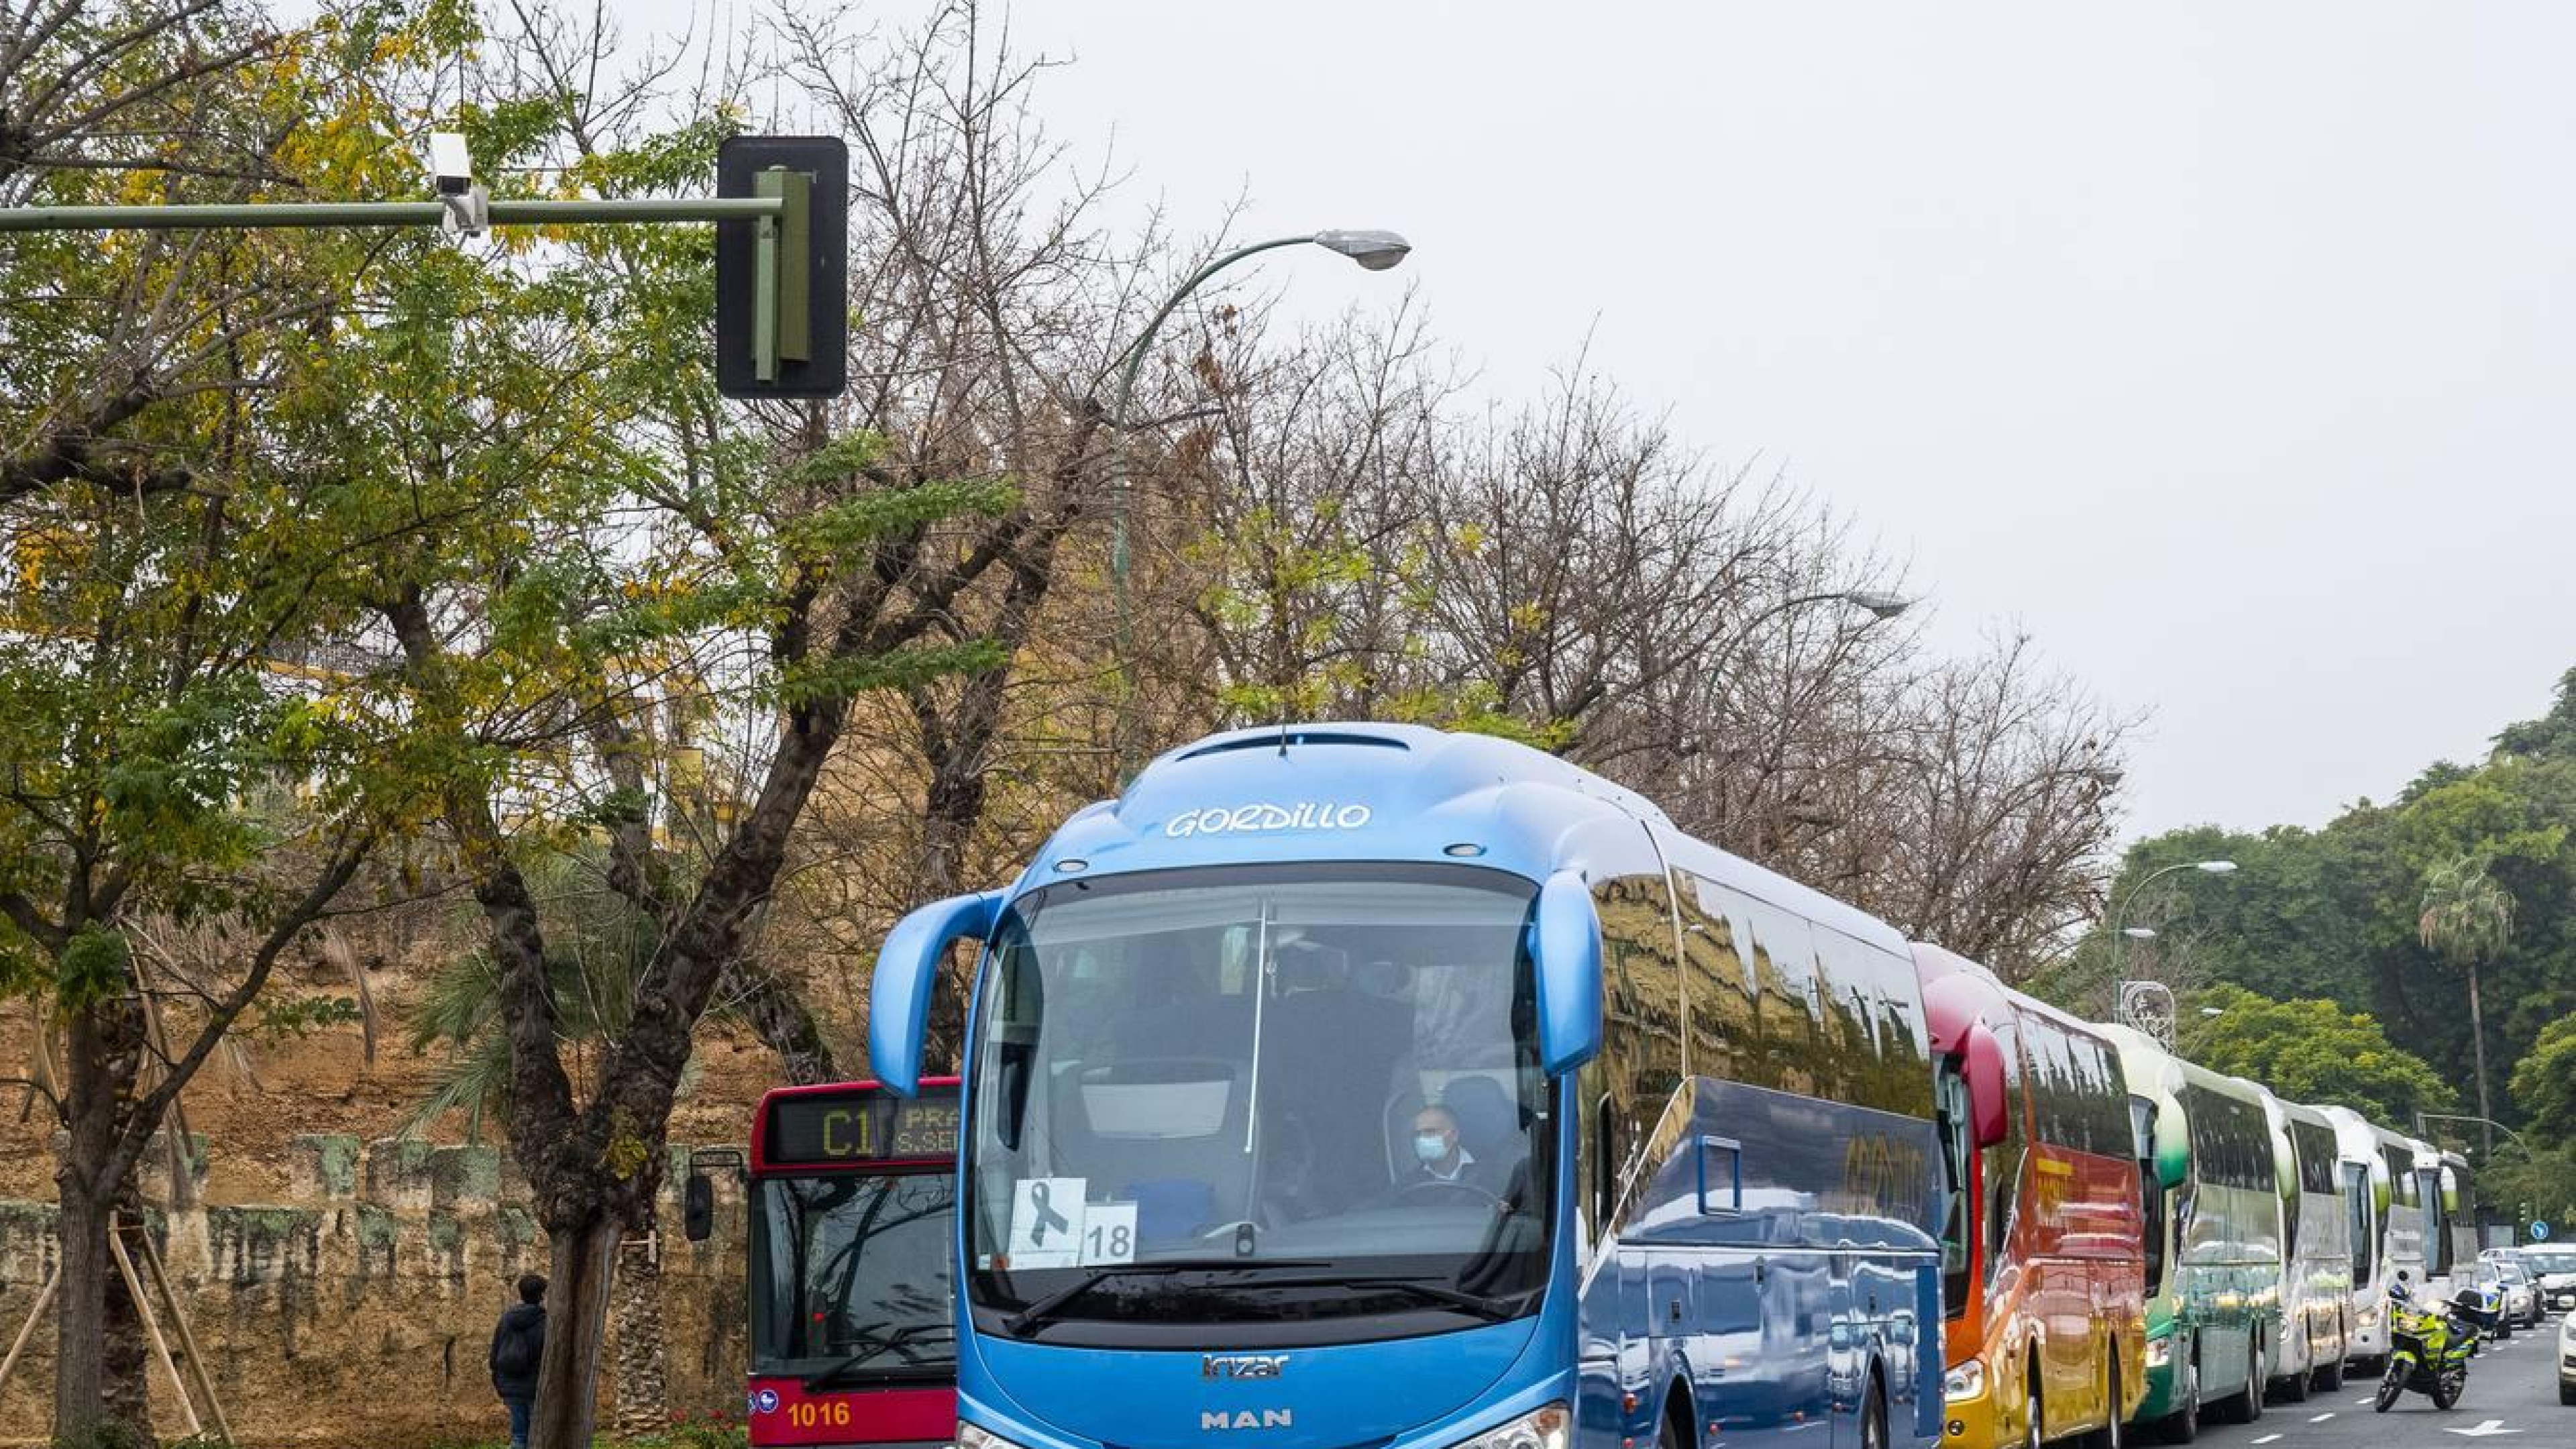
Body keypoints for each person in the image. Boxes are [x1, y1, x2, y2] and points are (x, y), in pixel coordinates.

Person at [489, 1273, 547, 1449]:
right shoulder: (545, 1322)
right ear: (541, 1295)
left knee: (519, 1436)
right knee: (538, 1437)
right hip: (535, 1388)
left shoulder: (506, 1319)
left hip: (510, 1386)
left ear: (521, 1294)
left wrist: (499, 1382)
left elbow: (495, 1352)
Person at [1401, 1104, 1487, 1191]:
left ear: (1454, 1135)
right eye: (1418, 1134)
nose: (1421, 1139)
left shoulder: (1489, 1173)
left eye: (1430, 1131)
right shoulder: (1408, 1186)